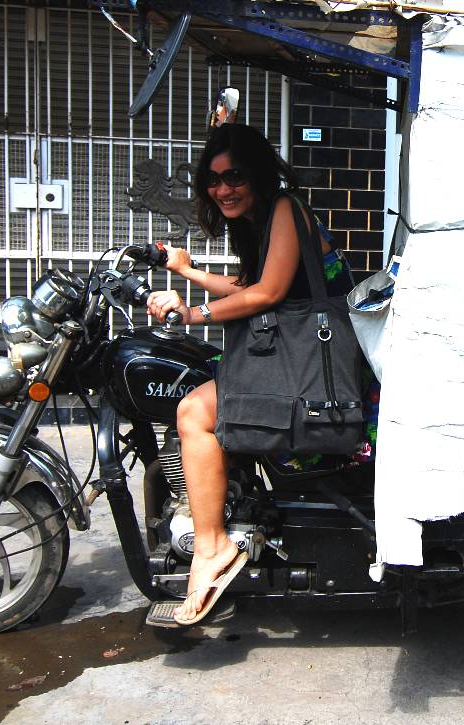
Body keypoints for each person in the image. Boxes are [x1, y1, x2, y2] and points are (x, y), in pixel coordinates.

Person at [146, 124, 354, 625]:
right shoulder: (264, 219)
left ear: (258, 174)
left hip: (313, 364)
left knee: (193, 412)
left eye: (234, 176)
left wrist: (191, 314)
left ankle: (212, 547)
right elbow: (249, 285)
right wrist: (188, 272)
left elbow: (267, 294)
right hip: (301, 355)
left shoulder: (285, 207)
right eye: (213, 180)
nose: (223, 189)